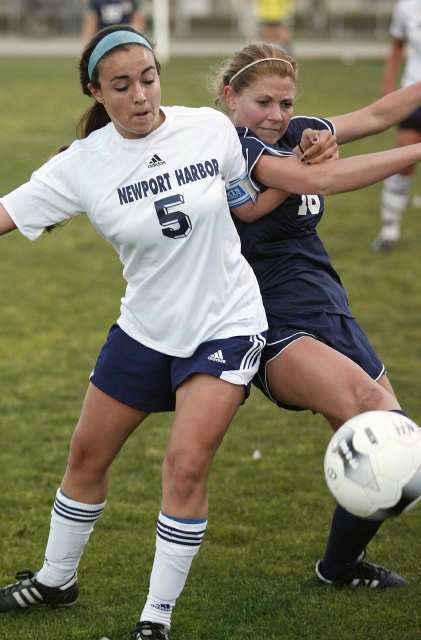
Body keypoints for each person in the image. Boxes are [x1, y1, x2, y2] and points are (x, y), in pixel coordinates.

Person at [0, 27, 277, 640]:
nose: (141, 96)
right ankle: (55, 579)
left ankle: (155, 621)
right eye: (121, 86)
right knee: (85, 454)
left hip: (226, 324)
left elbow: (246, 199)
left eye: (148, 79)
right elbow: (6, 212)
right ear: (97, 91)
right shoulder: (83, 164)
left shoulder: (207, 129)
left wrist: (310, 159)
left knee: (183, 466)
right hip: (146, 326)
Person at [213, 42, 421, 589]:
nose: (276, 115)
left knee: (394, 457)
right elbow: (317, 181)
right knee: (376, 416)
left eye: (285, 103)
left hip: (328, 303)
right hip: (270, 317)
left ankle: (339, 568)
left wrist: (310, 141)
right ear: (231, 97)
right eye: (263, 102)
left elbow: (378, 115)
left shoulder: (292, 131)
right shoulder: (227, 146)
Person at [372, 0, 421, 252]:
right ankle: (389, 230)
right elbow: (396, 48)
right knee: (403, 160)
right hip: (413, 95)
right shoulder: (407, 7)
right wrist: (389, 81)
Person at [81, 0, 146, 46]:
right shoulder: (96, 2)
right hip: (103, 41)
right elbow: (91, 24)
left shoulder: (133, 2)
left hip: (126, 41)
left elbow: (138, 23)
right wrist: (87, 44)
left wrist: (133, 39)